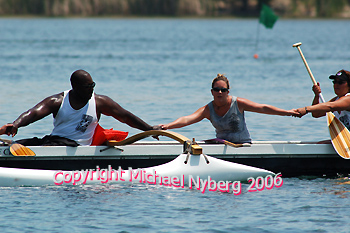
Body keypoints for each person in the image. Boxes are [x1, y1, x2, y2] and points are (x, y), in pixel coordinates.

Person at [1, 69, 160, 146]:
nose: (91, 89)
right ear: (74, 86)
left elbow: (125, 117)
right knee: (17, 144)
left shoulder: (100, 102)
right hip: (55, 142)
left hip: (77, 147)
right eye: (87, 86)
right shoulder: (58, 101)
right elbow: (33, 113)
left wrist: (149, 128)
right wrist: (16, 124)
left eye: (93, 85)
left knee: (38, 146)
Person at [160, 74, 299, 143]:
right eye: (216, 90)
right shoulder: (208, 110)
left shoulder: (238, 103)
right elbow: (186, 119)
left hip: (242, 146)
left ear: (228, 91)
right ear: (212, 92)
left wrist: (287, 112)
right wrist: (167, 126)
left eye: (223, 90)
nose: (219, 92)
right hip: (221, 146)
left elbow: (263, 108)